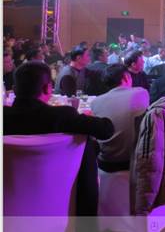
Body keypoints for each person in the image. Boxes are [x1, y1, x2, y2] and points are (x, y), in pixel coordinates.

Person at [4, 61, 115, 215]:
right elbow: (107, 129)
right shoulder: (61, 116)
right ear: (47, 88)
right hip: (58, 198)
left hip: (8, 201)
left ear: (15, 89)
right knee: (87, 144)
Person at [90, 64, 149, 172]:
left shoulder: (95, 102)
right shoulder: (140, 93)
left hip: (104, 162)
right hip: (131, 162)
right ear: (126, 77)